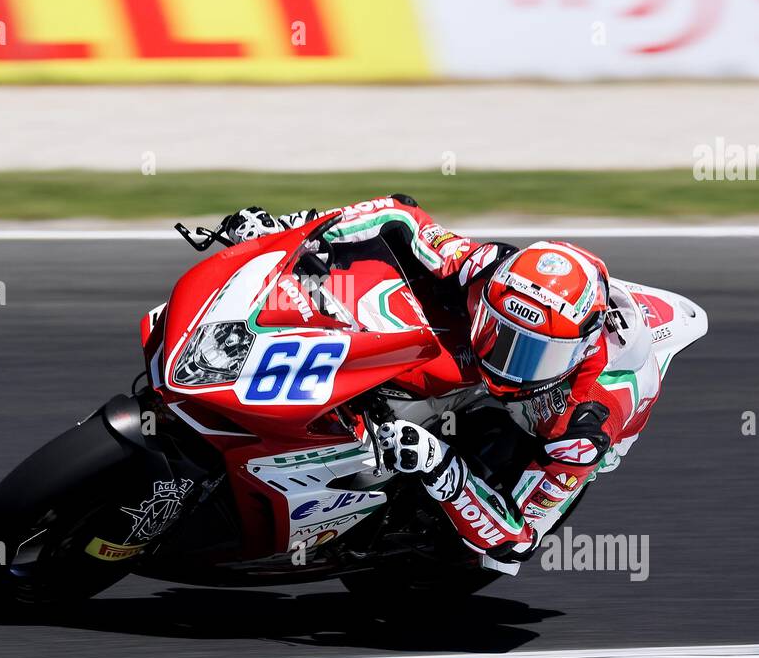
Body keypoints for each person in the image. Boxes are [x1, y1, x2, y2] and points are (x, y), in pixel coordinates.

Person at [222, 195, 662, 573]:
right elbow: (400, 214)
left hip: (540, 426)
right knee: (405, 338)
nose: (505, 361)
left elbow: (518, 540)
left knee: (492, 486)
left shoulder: (587, 424)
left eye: (530, 353)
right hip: (502, 353)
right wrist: (292, 229)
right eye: (498, 331)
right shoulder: (489, 269)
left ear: (579, 349)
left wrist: (441, 467)